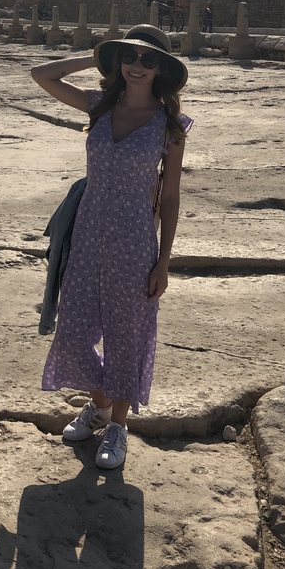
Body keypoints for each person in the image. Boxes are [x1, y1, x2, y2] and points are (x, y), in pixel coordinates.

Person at [31, 25, 192, 470]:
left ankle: (118, 426)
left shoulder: (170, 126)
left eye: (148, 60)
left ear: (162, 69)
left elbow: (173, 196)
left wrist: (164, 261)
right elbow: (41, 74)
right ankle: (99, 405)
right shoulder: (99, 106)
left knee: (127, 336)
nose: (137, 67)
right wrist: (97, 58)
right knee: (73, 333)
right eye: (129, 57)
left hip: (135, 240)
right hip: (86, 234)